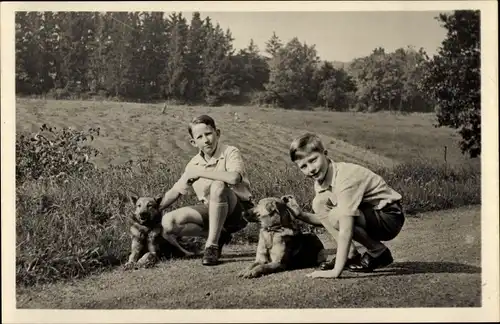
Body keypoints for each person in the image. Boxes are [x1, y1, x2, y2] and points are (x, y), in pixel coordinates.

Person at [287, 133, 405, 278]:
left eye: (313, 160)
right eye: (303, 166)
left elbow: (345, 227)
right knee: (319, 202)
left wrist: (336, 271)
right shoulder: (322, 179)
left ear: (325, 154)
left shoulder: (345, 179)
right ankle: (350, 254)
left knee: (338, 215)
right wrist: (300, 215)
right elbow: (327, 220)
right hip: (370, 213)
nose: (310, 169)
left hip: (389, 216)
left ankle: (378, 251)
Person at [158, 115, 253, 266]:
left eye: (208, 134)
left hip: (238, 210)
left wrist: (200, 173)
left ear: (218, 133)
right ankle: (219, 234)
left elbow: (235, 178)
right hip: (211, 209)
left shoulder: (230, 151)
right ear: (193, 142)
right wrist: (152, 209)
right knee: (169, 222)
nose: (206, 140)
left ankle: (211, 247)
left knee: (218, 186)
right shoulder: (193, 164)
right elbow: (175, 191)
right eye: (200, 137)